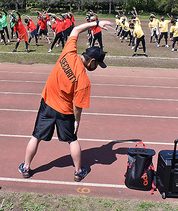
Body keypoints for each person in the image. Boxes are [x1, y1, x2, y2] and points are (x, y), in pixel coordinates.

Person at [18, 19, 113, 182]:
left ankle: (26, 167)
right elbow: (78, 106)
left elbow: (75, 30)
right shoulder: (84, 80)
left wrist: (96, 23)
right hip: (65, 112)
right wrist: (76, 122)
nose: (96, 68)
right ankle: (78, 172)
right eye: (97, 65)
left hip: (47, 104)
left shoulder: (69, 52)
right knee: (72, 140)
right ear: (91, 61)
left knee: (36, 136)